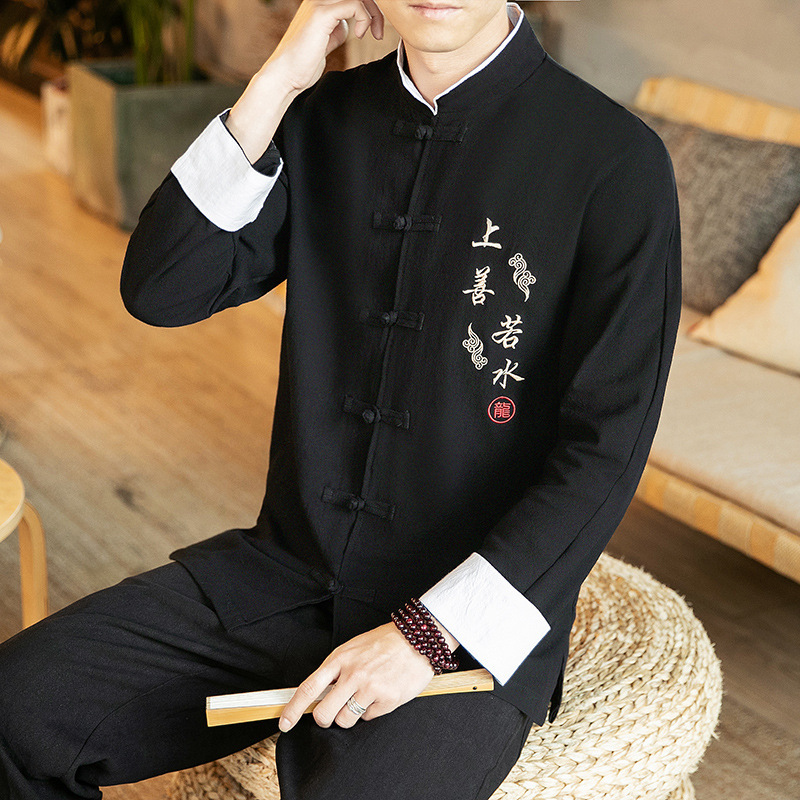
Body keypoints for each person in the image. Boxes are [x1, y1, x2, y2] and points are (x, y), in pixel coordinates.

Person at [0, 2, 682, 799]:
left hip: (465, 622)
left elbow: (606, 452)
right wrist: (276, 81)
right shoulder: (321, 117)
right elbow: (162, 287)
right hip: (282, 574)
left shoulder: (615, 159)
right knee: (16, 710)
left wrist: (426, 634)